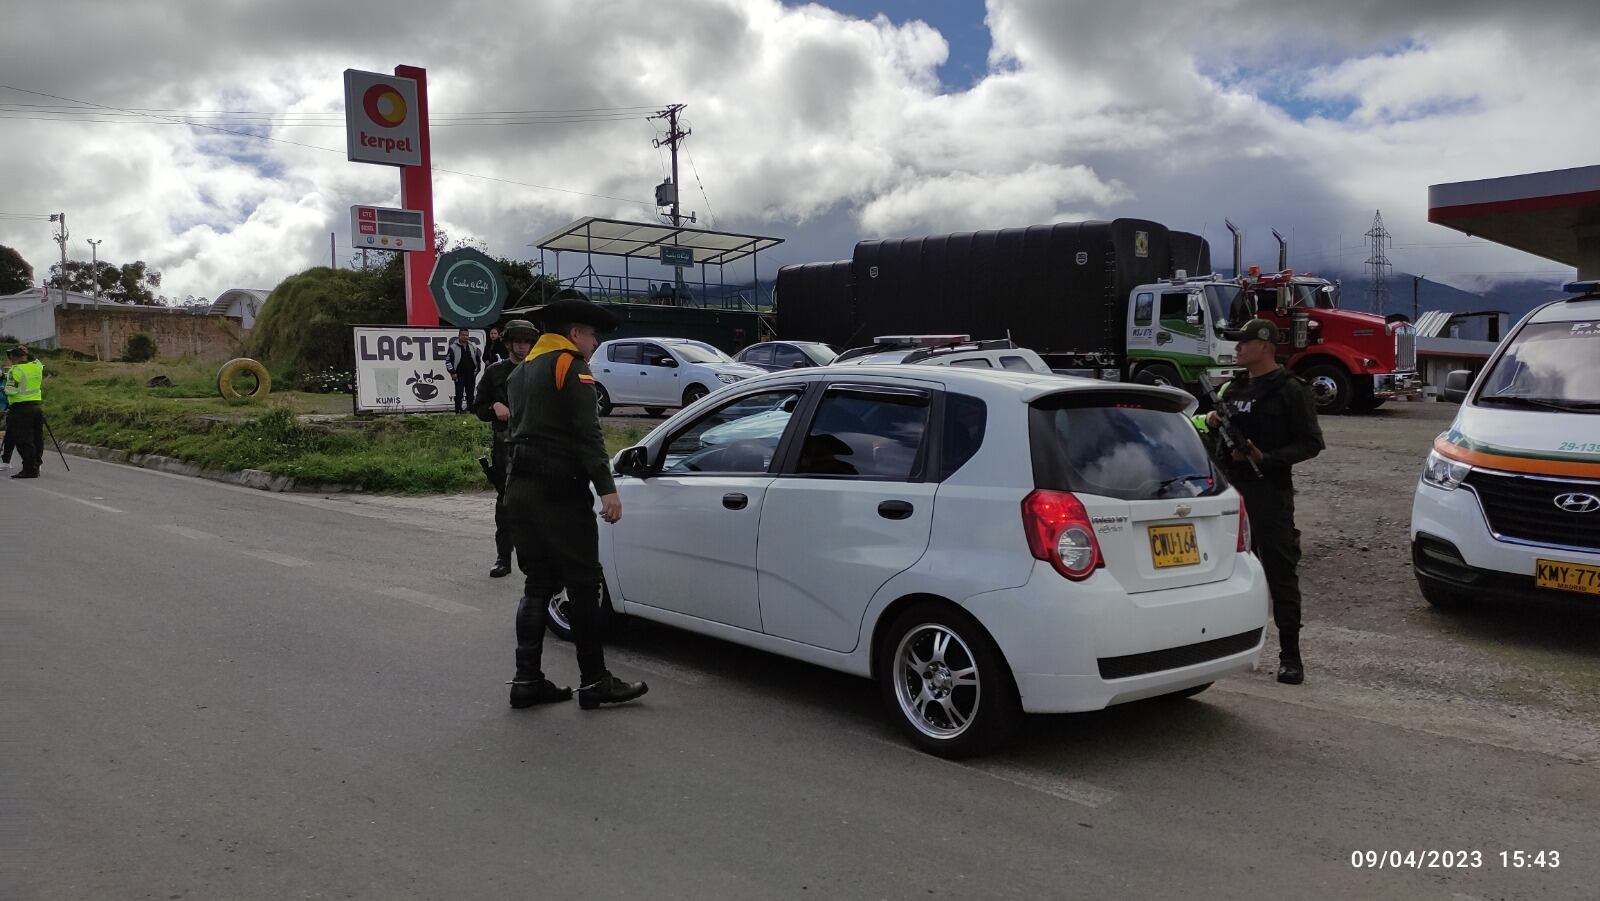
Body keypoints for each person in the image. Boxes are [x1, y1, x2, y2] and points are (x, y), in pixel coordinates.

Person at [502, 290, 647, 710]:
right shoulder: (571, 365)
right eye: (592, 334)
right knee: (584, 584)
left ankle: (526, 680)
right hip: (558, 489)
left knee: (538, 583)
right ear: (575, 332)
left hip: (519, 488)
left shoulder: (520, 371)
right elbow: (589, 434)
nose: (596, 342)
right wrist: (607, 488)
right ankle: (595, 680)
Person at [1194, 319, 1324, 684]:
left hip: (1269, 493)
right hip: (1231, 493)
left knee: (1280, 573)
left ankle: (1290, 657)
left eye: (1244, 343)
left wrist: (1266, 457)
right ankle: (1221, 649)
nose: (1237, 349)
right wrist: (1214, 420)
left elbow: (1311, 443)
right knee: (1223, 571)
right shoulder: (1234, 388)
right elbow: (1209, 428)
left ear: (1265, 345)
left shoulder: (1290, 390)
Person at [472, 319, 538, 579]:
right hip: (505, 447)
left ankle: (535, 559)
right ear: (508, 343)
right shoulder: (495, 373)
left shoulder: (539, 369)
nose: (521, 348)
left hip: (536, 445)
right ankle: (503, 557)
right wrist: (493, 408)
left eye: (526, 342)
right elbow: (478, 407)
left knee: (538, 503)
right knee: (506, 504)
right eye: (517, 342)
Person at [4, 346, 45, 479]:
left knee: (23, 440)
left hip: (20, 408)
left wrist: (3, 388)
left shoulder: (15, 371)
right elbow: (36, 359)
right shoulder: (36, 366)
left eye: (11, 357)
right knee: (37, 437)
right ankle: (37, 463)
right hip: (36, 407)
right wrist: (26, 352)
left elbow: (11, 390)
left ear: (15, 358)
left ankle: (29, 469)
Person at [445, 328, 482, 414]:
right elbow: (448, 361)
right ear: (459, 335)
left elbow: (478, 359)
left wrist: (478, 370)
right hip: (458, 374)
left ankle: (471, 409)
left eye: (467, 335)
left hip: (471, 374)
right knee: (459, 393)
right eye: (463, 335)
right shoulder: (452, 347)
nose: (465, 337)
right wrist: (452, 372)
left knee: (470, 393)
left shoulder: (473, 346)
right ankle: (458, 410)